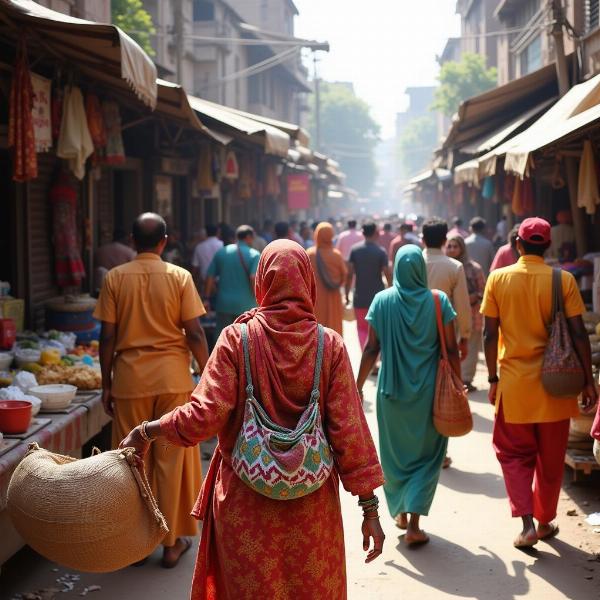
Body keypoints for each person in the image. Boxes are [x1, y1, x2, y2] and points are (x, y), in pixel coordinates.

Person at [119, 240, 386, 598]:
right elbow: (349, 434)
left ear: (262, 282)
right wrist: (370, 510)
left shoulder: (236, 340)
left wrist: (147, 430)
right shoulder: (330, 345)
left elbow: (203, 416)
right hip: (311, 510)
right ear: (306, 283)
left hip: (245, 505)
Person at [94, 213, 209, 568]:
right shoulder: (179, 277)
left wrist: (107, 383)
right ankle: (172, 542)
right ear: (164, 241)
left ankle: (137, 543)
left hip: (130, 380)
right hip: (174, 380)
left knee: (131, 460)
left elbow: (108, 336)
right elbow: (194, 333)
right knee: (170, 461)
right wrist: (206, 376)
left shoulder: (115, 278)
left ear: (132, 240)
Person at [482, 217, 597, 548]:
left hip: (515, 387)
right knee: (551, 458)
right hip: (556, 387)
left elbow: (490, 334)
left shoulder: (498, 279)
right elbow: (578, 333)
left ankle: (528, 524)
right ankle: (546, 519)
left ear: (518, 243)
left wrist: (492, 378)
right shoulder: (564, 280)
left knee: (514, 455)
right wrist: (588, 381)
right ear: (547, 247)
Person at [356, 245, 460, 546]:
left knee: (394, 457)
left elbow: (371, 348)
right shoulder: (438, 301)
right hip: (431, 397)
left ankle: (400, 511)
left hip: (391, 395)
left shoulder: (382, 300)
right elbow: (452, 348)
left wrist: (358, 384)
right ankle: (414, 523)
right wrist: (457, 382)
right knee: (428, 458)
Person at [421, 218, 471, 359]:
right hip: (444, 333)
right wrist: (464, 337)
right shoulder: (454, 267)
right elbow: (462, 306)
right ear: (444, 241)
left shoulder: (410, 263)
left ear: (423, 240)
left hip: (413, 331)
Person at [446, 235, 485, 392]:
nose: (452, 249)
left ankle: (466, 379)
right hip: (449, 315)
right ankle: (451, 378)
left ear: (462, 248)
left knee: (471, 345)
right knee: (450, 345)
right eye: (449, 246)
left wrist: (471, 297)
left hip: (473, 312)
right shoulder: (446, 267)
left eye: (456, 246)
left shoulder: (474, 268)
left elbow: (483, 290)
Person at [205, 225, 260, 338]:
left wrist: (206, 298)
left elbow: (210, 276)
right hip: (246, 305)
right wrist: (258, 299)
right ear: (248, 237)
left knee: (223, 337)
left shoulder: (222, 252)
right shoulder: (254, 254)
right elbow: (253, 278)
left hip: (223, 304)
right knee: (245, 339)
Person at [345, 221, 391, 349]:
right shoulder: (381, 252)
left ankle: (366, 355)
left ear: (363, 233)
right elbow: (387, 274)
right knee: (379, 329)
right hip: (378, 297)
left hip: (360, 296)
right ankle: (377, 359)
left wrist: (347, 294)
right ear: (376, 233)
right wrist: (392, 290)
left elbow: (349, 274)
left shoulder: (355, 250)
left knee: (362, 328)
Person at [307, 222, 348, 335]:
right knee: (334, 328)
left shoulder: (310, 254)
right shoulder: (336, 255)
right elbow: (344, 276)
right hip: (333, 296)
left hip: (315, 300)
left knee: (317, 331)